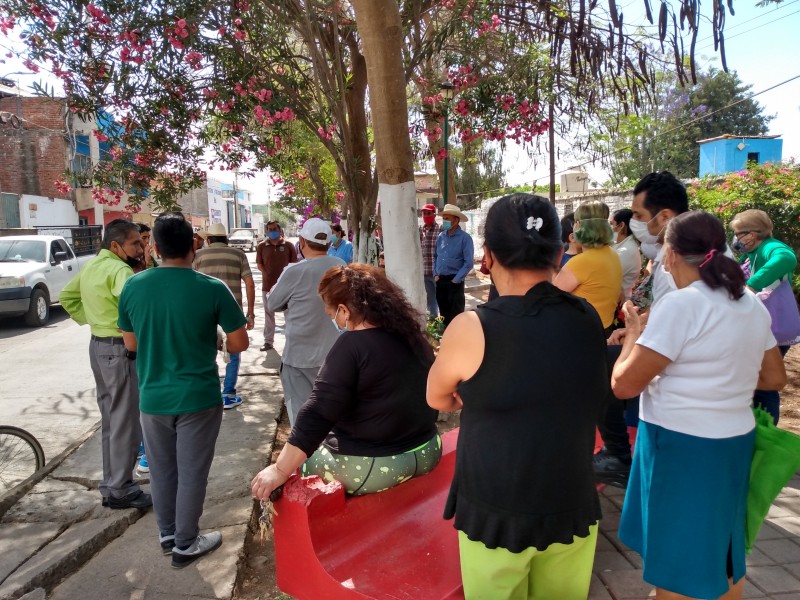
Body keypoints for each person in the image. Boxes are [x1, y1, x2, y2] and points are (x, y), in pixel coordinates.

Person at [427, 194, 608, 600]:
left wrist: (471, 395)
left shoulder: (471, 327)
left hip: (496, 508)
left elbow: (437, 397)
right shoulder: (586, 316)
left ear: (487, 257)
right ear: (560, 252)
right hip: (570, 502)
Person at [611, 210, 786, 600]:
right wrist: (726, 374)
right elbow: (774, 377)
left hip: (681, 445)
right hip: (733, 440)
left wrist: (632, 337)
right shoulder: (748, 302)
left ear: (671, 254)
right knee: (722, 545)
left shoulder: (681, 305)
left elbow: (624, 385)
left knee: (678, 557)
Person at [118, 212, 249, 568]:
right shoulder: (211, 288)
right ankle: (186, 542)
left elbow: (131, 344)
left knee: (162, 471)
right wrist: (217, 341)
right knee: (192, 472)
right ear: (194, 245)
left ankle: (168, 533)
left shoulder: (133, 286)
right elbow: (239, 343)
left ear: (155, 247)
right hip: (199, 397)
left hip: (153, 398)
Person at [251, 264, 440, 500]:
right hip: (428, 450)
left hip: (376, 467)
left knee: (303, 464)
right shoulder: (414, 337)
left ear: (344, 310)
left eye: (332, 315)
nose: (336, 322)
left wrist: (279, 470)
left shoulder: (351, 346)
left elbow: (318, 412)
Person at [596, 171, 690, 487]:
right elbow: (667, 308)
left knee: (608, 374)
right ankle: (619, 452)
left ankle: (618, 455)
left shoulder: (680, 258)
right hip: (666, 351)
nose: (633, 221)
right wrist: (638, 327)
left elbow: (681, 313)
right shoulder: (672, 252)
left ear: (664, 216)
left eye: (638, 215)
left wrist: (636, 333)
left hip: (677, 373)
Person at [59, 219, 152, 510]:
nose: (141, 247)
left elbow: (67, 297)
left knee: (112, 421)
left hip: (98, 345)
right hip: (119, 348)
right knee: (125, 421)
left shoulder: (92, 265)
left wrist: (94, 319)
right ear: (115, 245)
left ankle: (112, 484)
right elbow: (137, 308)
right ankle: (122, 487)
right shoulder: (119, 270)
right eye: (135, 243)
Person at [268, 218, 345, 425]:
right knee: (333, 417)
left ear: (301, 241)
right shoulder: (341, 266)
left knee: (302, 420)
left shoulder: (294, 271)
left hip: (299, 358)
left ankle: (306, 457)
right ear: (329, 243)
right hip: (335, 356)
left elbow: (273, 303)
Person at [731, 208, 798, 424]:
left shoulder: (771, 247)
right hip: (764, 326)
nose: (735, 238)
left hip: (773, 327)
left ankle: (766, 429)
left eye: (738, 233)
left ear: (751, 235)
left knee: (764, 380)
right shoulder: (752, 253)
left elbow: (787, 258)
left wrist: (751, 285)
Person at [194, 223, 256, 409]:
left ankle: (207, 393)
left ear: (208, 240)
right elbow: (250, 283)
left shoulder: (198, 256)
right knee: (233, 350)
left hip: (202, 312)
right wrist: (250, 313)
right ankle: (228, 393)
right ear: (226, 239)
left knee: (205, 351)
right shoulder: (238, 254)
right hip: (232, 311)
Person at [553, 200, 622, 332]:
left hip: (581, 331)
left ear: (578, 226)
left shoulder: (581, 262)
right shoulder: (613, 255)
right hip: (605, 328)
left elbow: (551, 296)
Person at [255, 220, 298, 352]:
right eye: (269, 229)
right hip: (267, 287)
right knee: (269, 314)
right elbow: (259, 264)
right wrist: (266, 273)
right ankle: (268, 341)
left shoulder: (289, 246)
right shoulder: (261, 246)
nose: (272, 231)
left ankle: (292, 342)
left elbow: (294, 265)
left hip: (286, 287)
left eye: (274, 229)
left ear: (280, 230)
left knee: (288, 314)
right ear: (267, 231)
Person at [434, 203, 474, 327]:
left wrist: (456, 280)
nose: (444, 221)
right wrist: (436, 274)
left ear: (456, 220)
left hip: (455, 282)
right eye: (443, 218)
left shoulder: (465, 238)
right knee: (443, 313)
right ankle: (445, 339)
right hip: (441, 281)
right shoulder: (441, 237)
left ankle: (458, 341)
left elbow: (468, 263)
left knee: (456, 316)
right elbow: (436, 257)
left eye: (447, 218)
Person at [610, 208, 642, 301]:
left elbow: (605, 273)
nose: (609, 227)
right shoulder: (620, 245)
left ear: (621, 226)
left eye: (611, 224)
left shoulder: (627, 251)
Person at [419, 203, 442, 318]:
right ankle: (434, 324)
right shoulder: (420, 231)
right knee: (430, 300)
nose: (426, 216)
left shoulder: (441, 229)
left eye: (429, 213)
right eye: (424, 213)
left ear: (434, 214)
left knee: (442, 299)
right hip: (425, 272)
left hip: (438, 273)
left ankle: (446, 324)